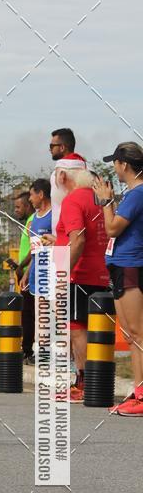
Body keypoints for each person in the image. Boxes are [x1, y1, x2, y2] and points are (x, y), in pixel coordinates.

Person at [45, 165, 109, 402]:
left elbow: (79, 240)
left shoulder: (73, 200)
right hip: (100, 272)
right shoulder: (99, 200)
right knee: (92, 326)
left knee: (76, 327)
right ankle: (94, 381)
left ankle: (83, 383)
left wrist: (63, 273)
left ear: (64, 178)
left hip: (78, 273)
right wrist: (59, 241)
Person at [93, 142, 143, 416]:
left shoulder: (137, 194)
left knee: (138, 334)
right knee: (131, 335)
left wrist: (106, 202)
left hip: (132, 266)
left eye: (115, 163)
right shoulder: (133, 194)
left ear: (124, 164)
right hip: (122, 266)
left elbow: (112, 228)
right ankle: (138, 392)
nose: (114, 168)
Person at [19, 180, 52, 357]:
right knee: (40, 316)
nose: (30, 199)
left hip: (52, 273)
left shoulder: (55, 214)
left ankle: (57, 354)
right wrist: (27, 273)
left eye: (32, 195)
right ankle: (43, 355)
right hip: (36, 274)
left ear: (41, 194)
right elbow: (35, 251)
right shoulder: (35, 220)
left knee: (54, 315)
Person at [7, 190, 35, 363]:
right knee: (28, 312)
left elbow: (34, 249)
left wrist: (22, 267)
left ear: (27, 206)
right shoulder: (30, 222)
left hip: (29, 273)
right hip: (26, 272)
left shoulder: (33, 221)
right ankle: (27, 349)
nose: (16, 210)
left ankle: (27, 350)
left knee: (28, 313)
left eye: (18, 207)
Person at [48, 127, 86, 233]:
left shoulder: (57, 174)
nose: (50, 150)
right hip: (67, 233)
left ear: (62, 147)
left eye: (52, 146)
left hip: (69, 233)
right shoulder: (88, 170)